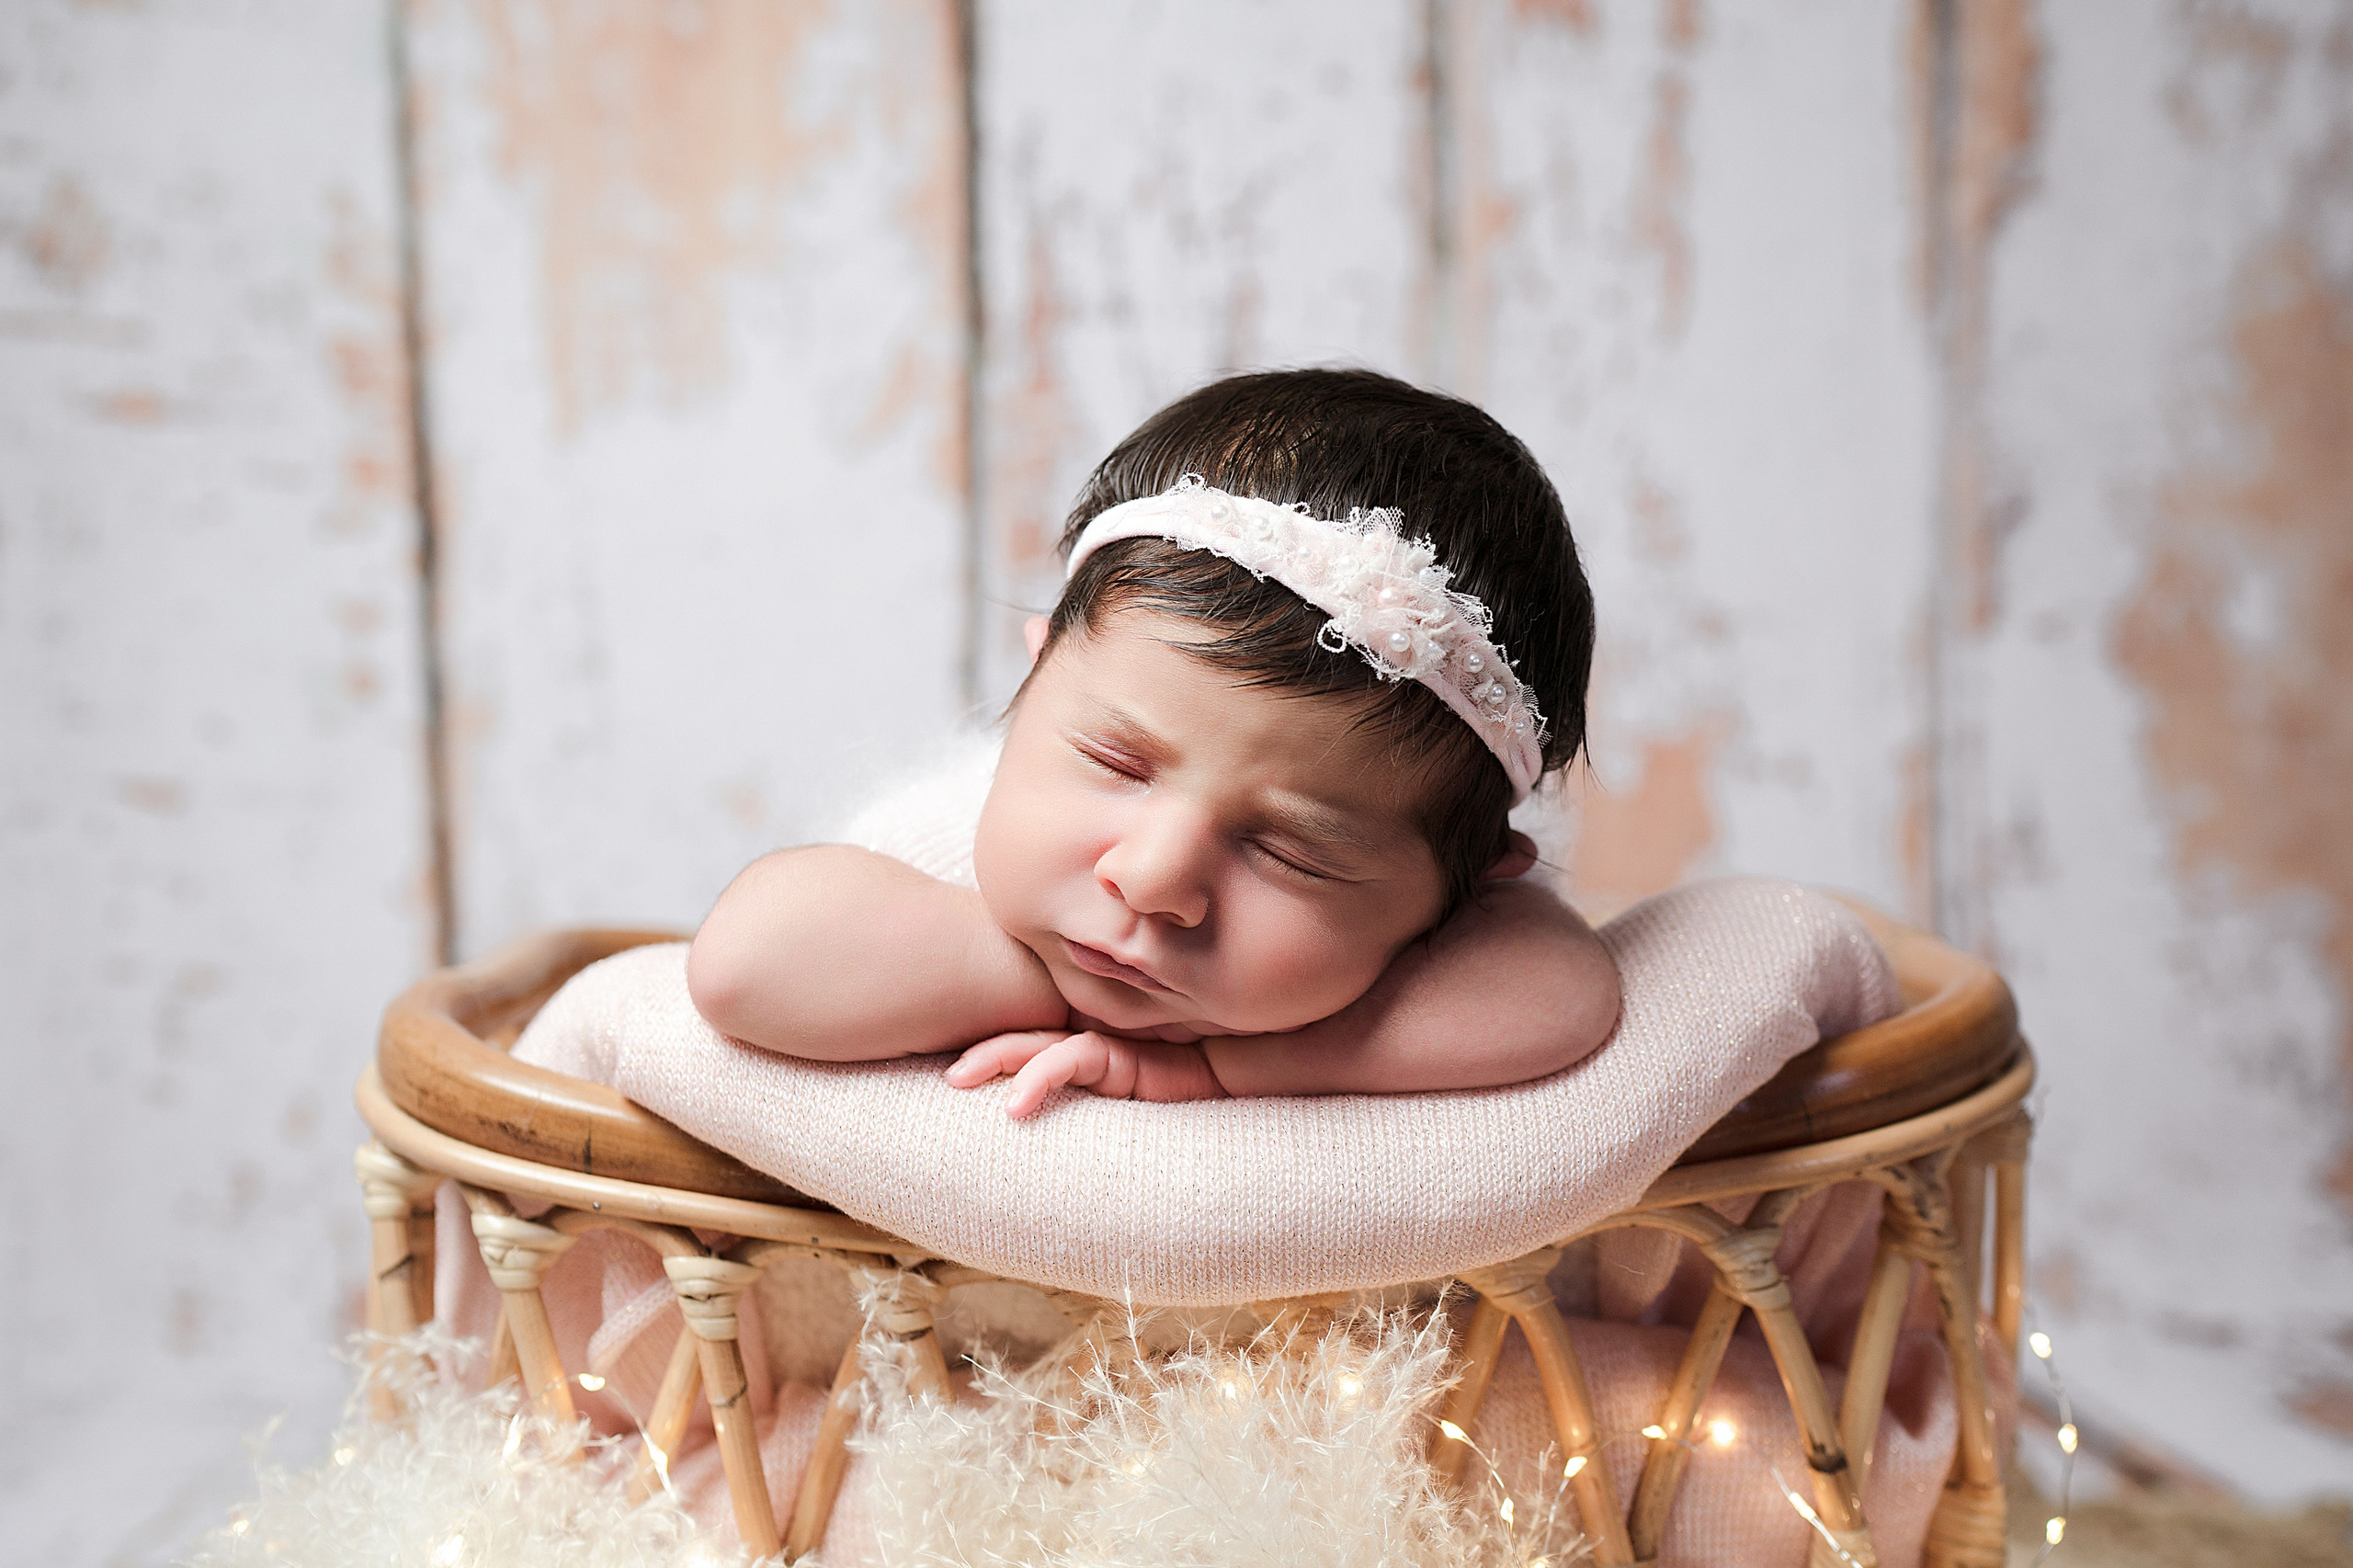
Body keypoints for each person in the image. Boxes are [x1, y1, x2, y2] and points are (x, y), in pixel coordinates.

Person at [687, 369, 1621, 1118]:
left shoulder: (1466, 945)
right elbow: (748, 960)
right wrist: (1053, 988)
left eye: (1290, 850)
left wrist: (1213, 1066)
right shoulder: (946, 841)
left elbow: (1564, 995)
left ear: (1469, 882)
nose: (1150, 878)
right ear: (1036, 672)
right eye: (1117, 764)